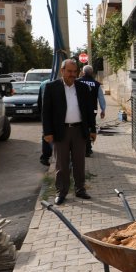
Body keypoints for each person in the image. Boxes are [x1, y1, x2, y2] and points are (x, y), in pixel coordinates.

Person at [41, 59, 97, 205]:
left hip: (79, 131)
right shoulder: (52, 88)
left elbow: (89, 111)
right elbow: (46, 112)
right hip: (61, 132)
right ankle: (61, 192)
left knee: (79, 162)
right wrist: (47, 132)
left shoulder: (83, 88)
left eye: (75, 72)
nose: (72, 74)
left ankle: (80, 189)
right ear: (62, 71)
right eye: (69, 71)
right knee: (61, 164)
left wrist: (92, 129)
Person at [77, 65, 106, 156]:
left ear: (83, 72)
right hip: (93, 110)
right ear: (92, 72)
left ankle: (81, 148)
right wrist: (103, 110)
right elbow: (101, 98)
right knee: (90, 127)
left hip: (79, 110)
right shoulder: (96, 84)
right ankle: (88, 149)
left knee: (80, 127)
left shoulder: (77, 82)